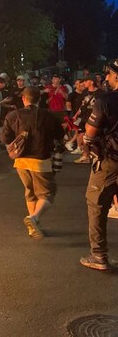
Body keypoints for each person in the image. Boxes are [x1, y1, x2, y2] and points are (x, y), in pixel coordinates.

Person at [0, 87, 64, 240]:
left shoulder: (12, 115)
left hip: (20, 160)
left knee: (30, 193)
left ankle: (34, 227)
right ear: (39, 99)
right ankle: (34, 219)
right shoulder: (47, 115)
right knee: (48, 194)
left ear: (24, 99)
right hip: (40, 160)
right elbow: (60, 134)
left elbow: (4, 139)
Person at [79, 59, 118, 271]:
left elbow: (91, 133)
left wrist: (88, 146)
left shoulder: (106, 101)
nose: (108, 78)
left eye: (111, 75)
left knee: (96, 203)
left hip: (111, 160)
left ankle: (99, 256)